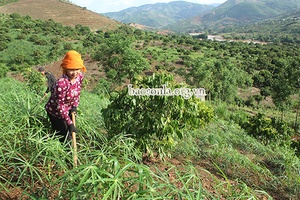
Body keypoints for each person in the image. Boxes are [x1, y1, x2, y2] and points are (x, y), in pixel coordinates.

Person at [45, 50, 86, 143]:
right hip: (56, 111)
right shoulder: (62, 83)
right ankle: (66, 154)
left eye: (77, 69)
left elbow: (78, 92)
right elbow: (60, 106)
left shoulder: (79, 76)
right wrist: (70, 123)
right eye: (71, 69)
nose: (75, 73)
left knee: (70, 132)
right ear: (65, 68)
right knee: (64, 137)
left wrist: (74, 106)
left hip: (68, 108)